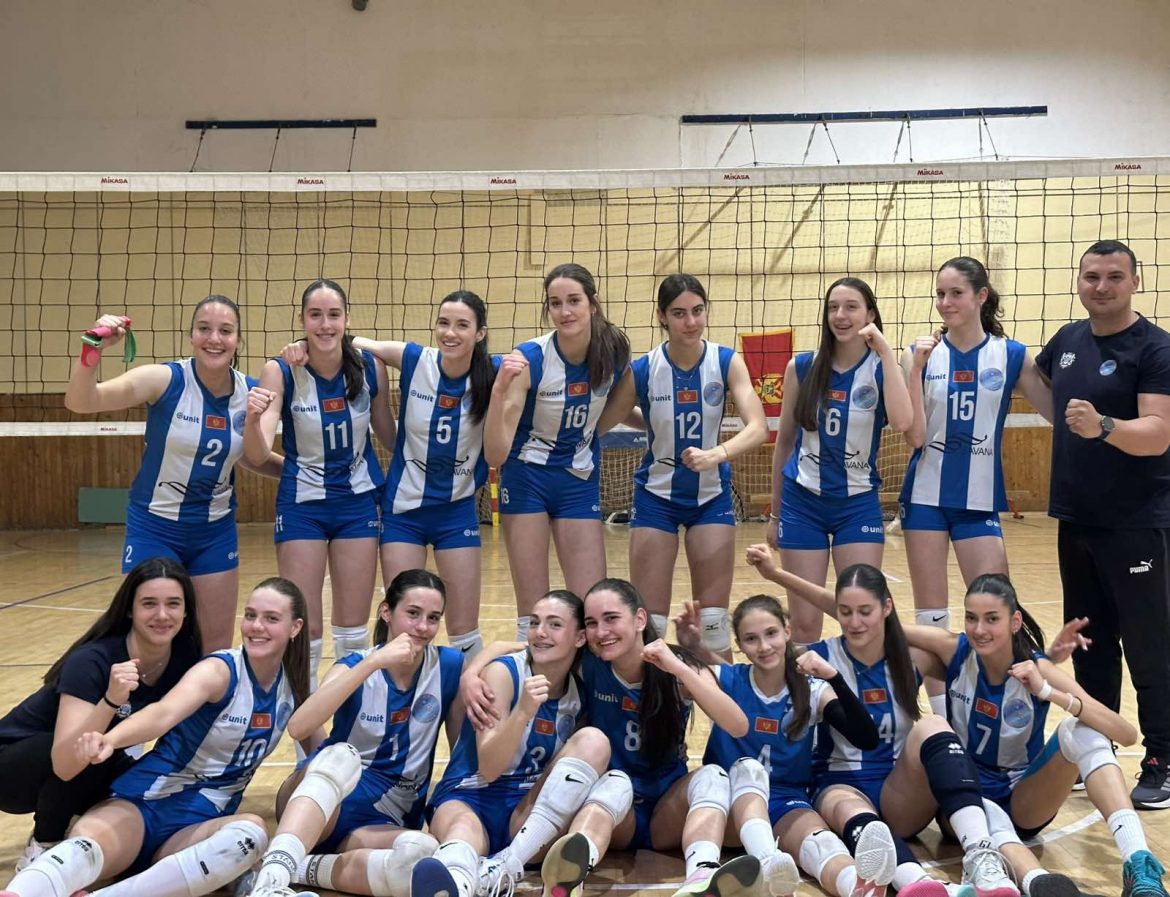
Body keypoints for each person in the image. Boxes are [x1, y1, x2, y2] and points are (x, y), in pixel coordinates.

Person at [745, 547, 1065, 897]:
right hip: (839, 784)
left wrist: (1041, 666)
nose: (854, 622)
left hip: (901, 791)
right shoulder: (816, 658)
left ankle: (979, 854)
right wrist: (774, 577)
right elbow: (755, 668)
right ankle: (919, 885)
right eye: (845, 612)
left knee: (933, 726)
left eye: (865, 612)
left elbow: (987, 661)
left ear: (887, 608)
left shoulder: (913, 657)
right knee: (850, 808)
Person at [1, 577, 311, 897]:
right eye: (250, 615)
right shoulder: (220, 671)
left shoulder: (292, 688)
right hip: (145, 802)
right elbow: (162, 713)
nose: (257, 626)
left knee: (251, 835)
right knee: (80, 852)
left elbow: (317, 753)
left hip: (200, 824)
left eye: (271, 618)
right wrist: (111, 739)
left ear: (295, 627)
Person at [905, 573, 1168, 897]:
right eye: (971, 618)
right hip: (964, 802)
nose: (979, 629)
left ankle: (1139, 863)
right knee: (985, 809)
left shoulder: (1036, 667)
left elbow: (1125, 734)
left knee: (1081, 729)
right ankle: (1039, 885)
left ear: (1014, 622)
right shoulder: (954, 649)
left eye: (992, 619)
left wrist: (1048, 692)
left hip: (1024, 800)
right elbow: (886, 626)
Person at [283, 290, 498, 660]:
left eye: (462, 325)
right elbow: (352, 340)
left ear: (480, 333)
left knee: (464, 629)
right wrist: (303, 345)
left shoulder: (493, 373)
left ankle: (468, 694)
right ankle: (389, 692)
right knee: (402, 624)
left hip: (456, 512)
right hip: (403, 514)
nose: (450, 332)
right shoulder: (415, 358)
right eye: (443, 323)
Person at [244, 570, 481, 897]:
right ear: (387, 612)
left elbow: (460, 753)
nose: (422, 627)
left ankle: (296, 868)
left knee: (423, 853)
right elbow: (299, 727)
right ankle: (271, 881)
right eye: (412, 613)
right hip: (322, 801)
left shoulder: (449, 665)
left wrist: (484, 662)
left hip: (384, 820)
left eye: (433, 618)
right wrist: (374, 661)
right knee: (341, 756)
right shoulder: (354, 664)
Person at [1035, 238, 1170, 809]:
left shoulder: (1155, 348)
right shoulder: (1067, 340)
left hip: (1136, 522)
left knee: (1148, 642)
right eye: (1092, 276)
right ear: (1079, 281)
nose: (1102, 286)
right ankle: (1098, 747)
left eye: (1115, 276)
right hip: (1077, 518)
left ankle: (1163, 758)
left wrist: (1105, 426)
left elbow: (1158, 433)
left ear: (1135, 281)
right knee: (1090, 641)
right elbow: (1043, 392)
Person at [63, 296, 280, 650]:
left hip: (214, 531)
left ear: (238, 341)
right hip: (155, 526)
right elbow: (81, 402)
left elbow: (253, 456)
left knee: (215, 648)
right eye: (204, 329)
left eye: (225, 331)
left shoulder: (251, 393)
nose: (214, 338)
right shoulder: (164, 380)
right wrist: (93, 349)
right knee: (148, 641)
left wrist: (300, 472)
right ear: (191, 336)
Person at [676, 594, 910, 897]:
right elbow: (681, 681)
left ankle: (860, 889)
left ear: (787, 631)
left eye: (771, 633)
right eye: (751, 639)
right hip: (732, 805)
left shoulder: (811, 689)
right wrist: (692, 650)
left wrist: (835, 677)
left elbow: (866, 737)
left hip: (785, 799)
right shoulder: (726, 679)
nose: (764, 646)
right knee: (748, 769)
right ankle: (766, 859)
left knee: (822, 844)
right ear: (739, 645)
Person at [899, 258, 1052, 713]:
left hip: (979, 501)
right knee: (931, 616)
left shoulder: (1011, 355)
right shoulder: (920, 353)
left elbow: (1057, 412)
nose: (945, 303)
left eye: (956, 293)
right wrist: (914, 369)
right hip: (924, 498)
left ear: (981, 296)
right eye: (940, 294)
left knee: (997, 610)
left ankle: (1007, 705)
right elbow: (914, 437)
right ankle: (945, 720)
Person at [547, 578, 761, 897]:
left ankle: (701, 877)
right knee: (616, 781)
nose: (601, 631)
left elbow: (738, 725)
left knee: (713, 776)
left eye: (611, 618)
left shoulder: (676, 666)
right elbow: (530, 651)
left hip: (667, 812)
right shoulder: (588, 664)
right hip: (614, 814)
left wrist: (680, 669)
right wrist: (476, 668)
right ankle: (567, 882)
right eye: (591, 623)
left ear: (640, 619)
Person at [596, 273, 767, 658]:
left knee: (714, 624)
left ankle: (720, 695)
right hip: (656, 497)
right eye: (679, 313)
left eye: (698, 311)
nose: (691, 322)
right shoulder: (643, 369)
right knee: (651, 624)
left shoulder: (726, 361)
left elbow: (758, 428)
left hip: (710, 497)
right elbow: (605, 421)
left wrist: (716, 454)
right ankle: (655, 695)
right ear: (661, 316)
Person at [410, 590, 618, 897]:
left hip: (527, 814)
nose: (540, 632)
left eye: (554, 624)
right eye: (534, 622)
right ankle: (456, 885)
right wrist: (522, 712)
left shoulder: (579, 691)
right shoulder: (503, 673)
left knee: (602, 755)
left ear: (579, 638)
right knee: (462, 835)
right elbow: (490, 769)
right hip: (470, 796)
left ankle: (507, 865)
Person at [0, 558, 202, 872]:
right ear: (130, 610)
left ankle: (76, 832)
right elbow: (66, 762)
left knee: (135, 781)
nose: (162, 615)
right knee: (93, 749)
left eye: (173, 604)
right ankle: (43, 848)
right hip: (13, 769)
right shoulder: (92, 661)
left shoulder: (184, 659)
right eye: (149, 604)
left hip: (88, 760)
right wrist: (111, 700)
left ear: (186, 611)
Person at [244, 278, 396, 688]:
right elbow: (256, 454)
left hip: (358, 504)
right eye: (315, 315)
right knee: (304, 627)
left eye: (333, 315)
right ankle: (303, 721)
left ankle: (350, 716)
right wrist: (253, 419)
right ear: (302, 320)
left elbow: (388, 435)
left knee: (352, 630)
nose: (325, 325)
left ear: (347, 319)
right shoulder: (281, 370)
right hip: (302, 506)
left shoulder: (370, 367)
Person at [483, 263, 631, 641]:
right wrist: (498, 392)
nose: (564, 311)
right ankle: (531, 674)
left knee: (592, 605)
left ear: (593, 303)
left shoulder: (614, 351)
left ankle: (586, 676)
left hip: (578, 480)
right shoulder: (530, 359)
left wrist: (655, 427)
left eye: (573, 301)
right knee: (533, 611)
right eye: (555, 303)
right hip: (527, 478)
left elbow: (618, 404)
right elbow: (496, 454)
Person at [767, 277, 913, 645]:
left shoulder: (881, 369)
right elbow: (784, 442)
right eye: (833, 307)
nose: (840, 315)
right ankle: (804, 685)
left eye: (851, 307)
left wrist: (886, 352)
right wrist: (775, 514)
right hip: (802, 503)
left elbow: (902, 422)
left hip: (857, 505)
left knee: (862, 615)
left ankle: (863, 683)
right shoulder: (802, 367)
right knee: (804, 624)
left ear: (870, 314)